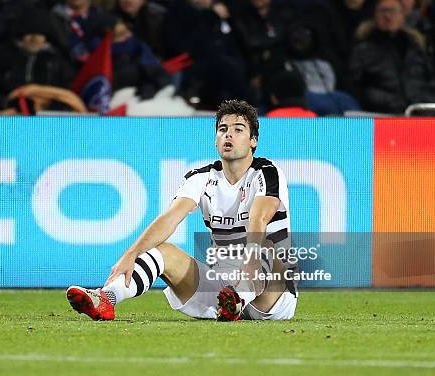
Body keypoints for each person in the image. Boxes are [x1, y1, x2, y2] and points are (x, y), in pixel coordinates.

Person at [67, 99, 298, 322]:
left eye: (238, 130)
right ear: (215, 140)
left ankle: (238, 299)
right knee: (160, 250)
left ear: (253, 141)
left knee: (266, 246)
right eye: (223, 129)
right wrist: (131, 253)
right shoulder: (201, 177)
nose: (228, 134)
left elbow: (259, 217)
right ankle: (106, 298)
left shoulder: (267, 172)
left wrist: (250, 261)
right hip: (221, 294)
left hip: (271, 298)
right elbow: (171, 217)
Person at [349, 0, 435, 114]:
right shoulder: (363, 50)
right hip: (382, 115)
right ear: (375, 16)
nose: (388, 16)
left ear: (402, 16)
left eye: (393, 11)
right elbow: (354, 86)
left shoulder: (415, 48)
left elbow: (433, 82)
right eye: (383, 11)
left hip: (421, 112)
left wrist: (430, 104)